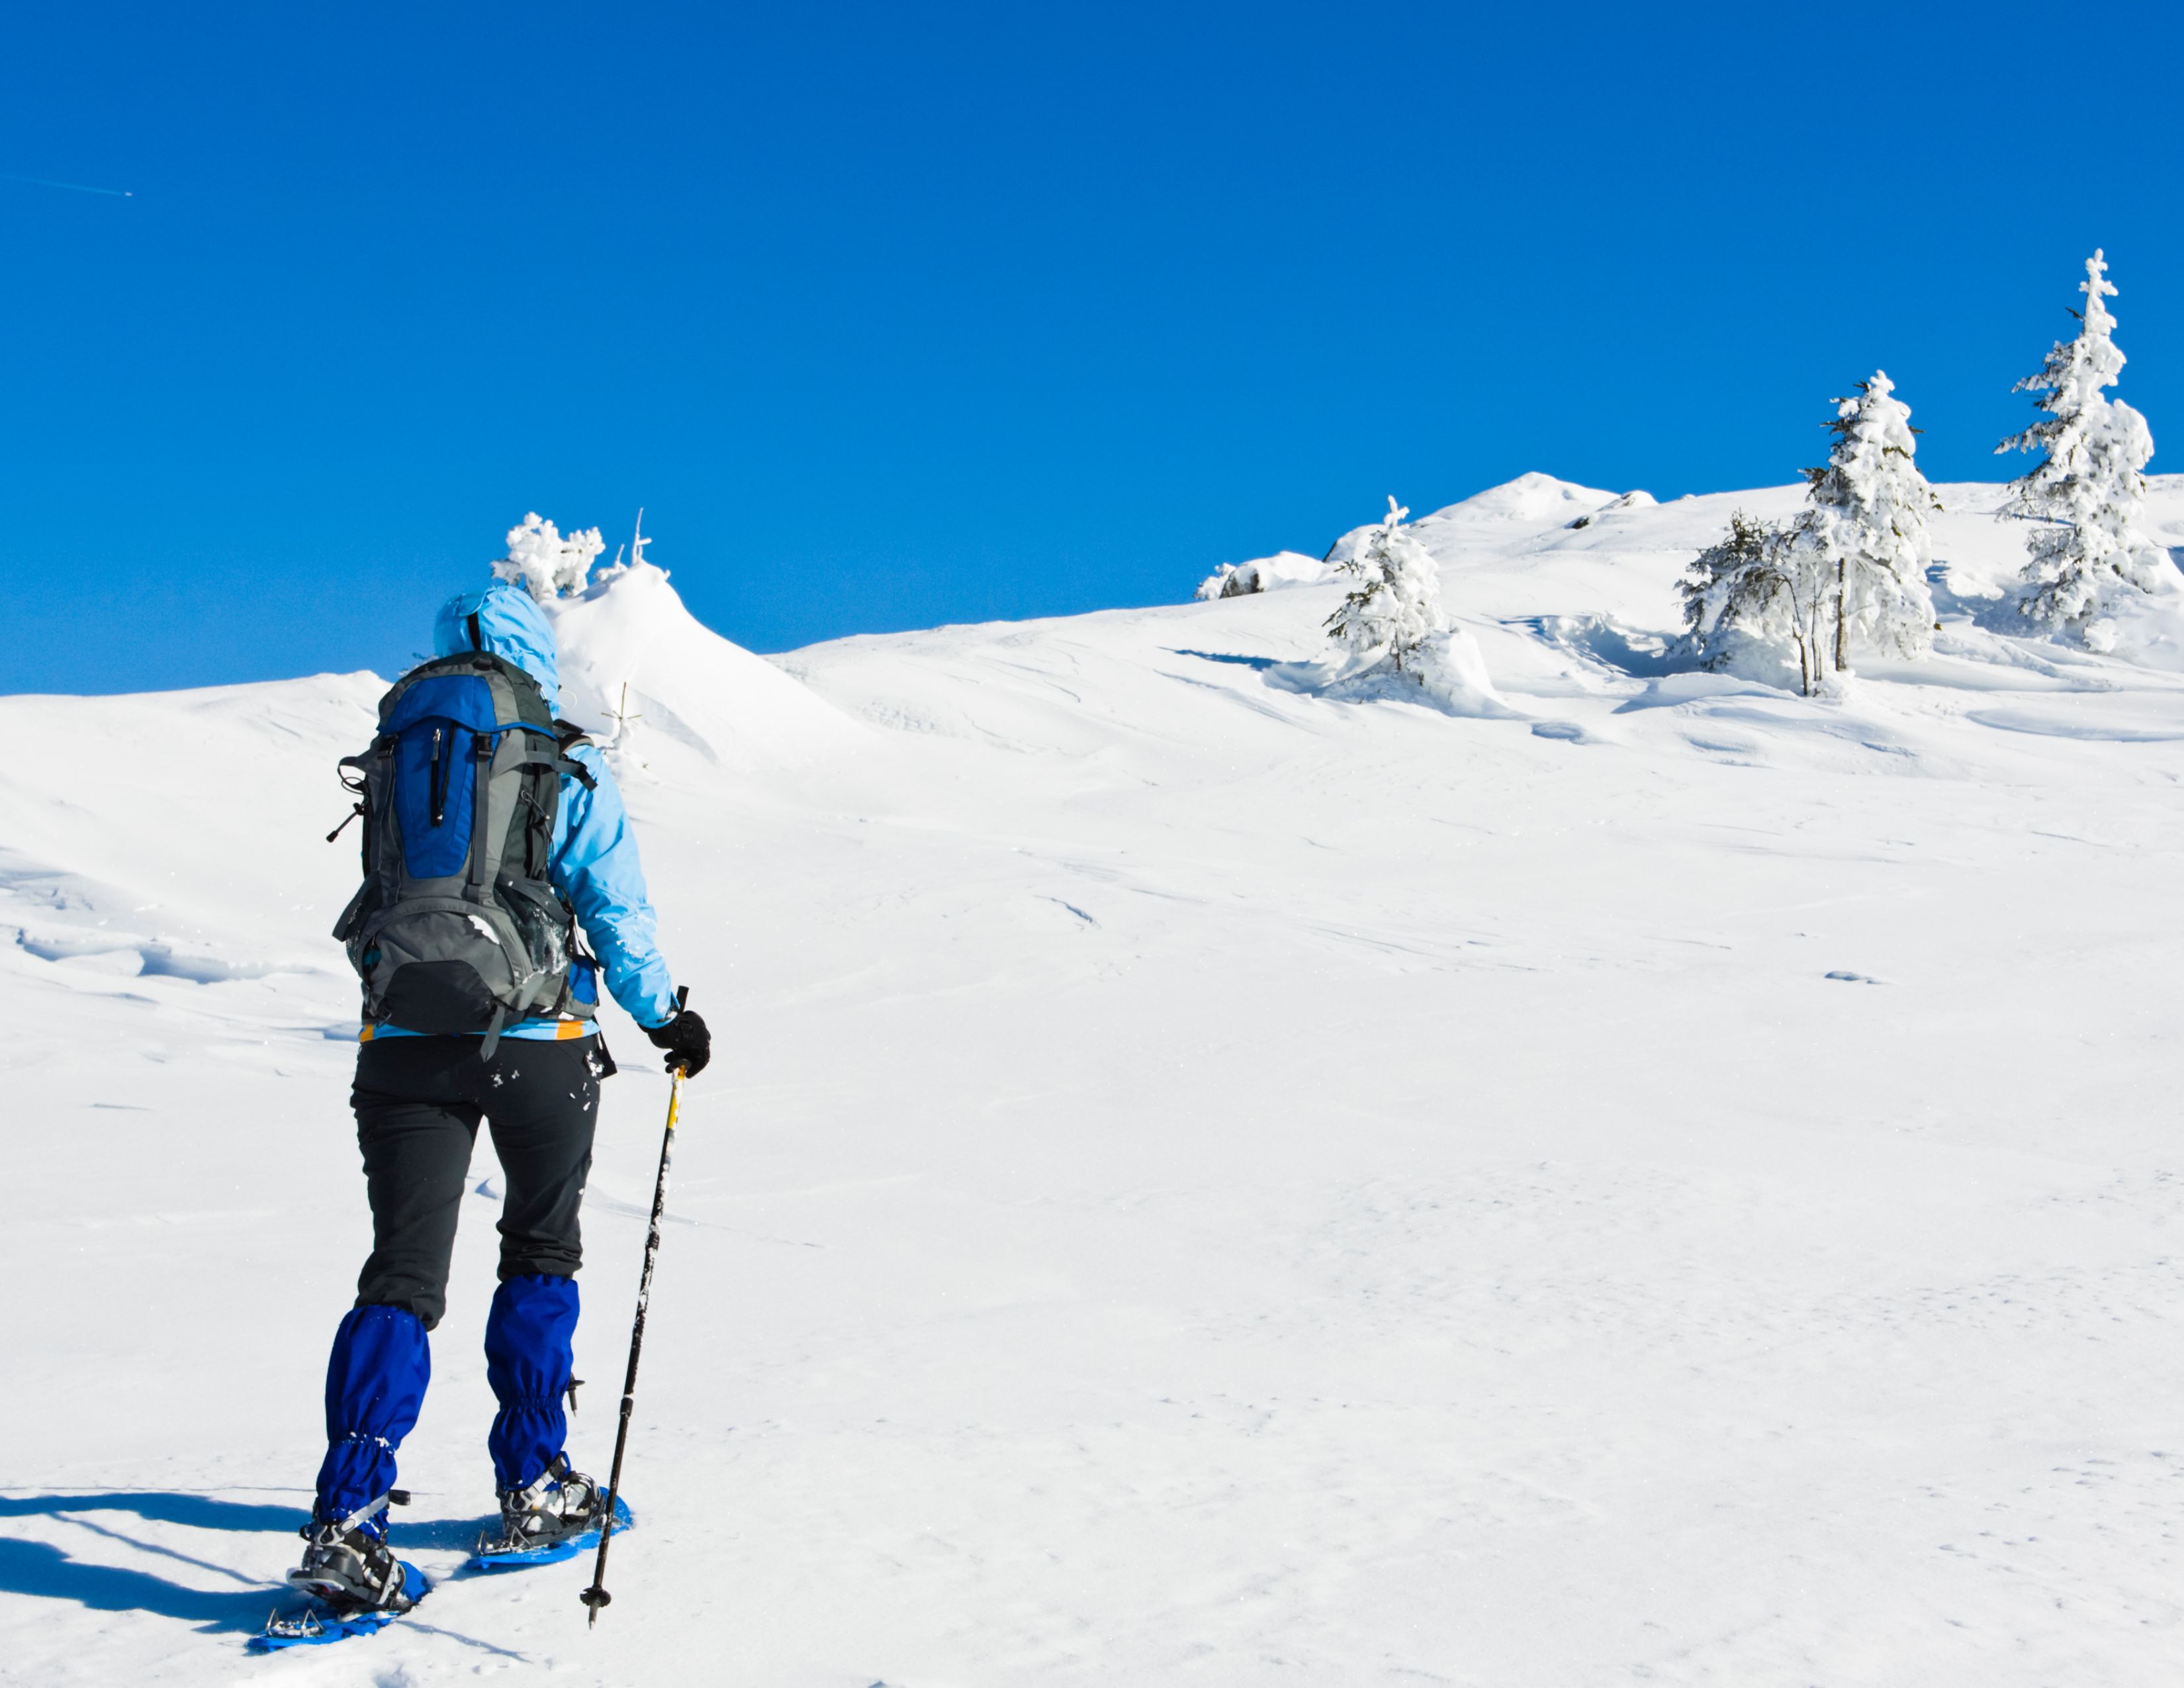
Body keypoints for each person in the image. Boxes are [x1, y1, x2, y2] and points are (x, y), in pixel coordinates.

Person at [287, 579, 711, 1612]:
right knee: (539, 1248)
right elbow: (616, 909)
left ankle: (348, 1522)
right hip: (540, 1046)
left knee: (400, 1276)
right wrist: (667, 1020)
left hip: (402, 1045)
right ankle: (534, 1480)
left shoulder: (402, 750)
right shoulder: (560, 761)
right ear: (535, 653)